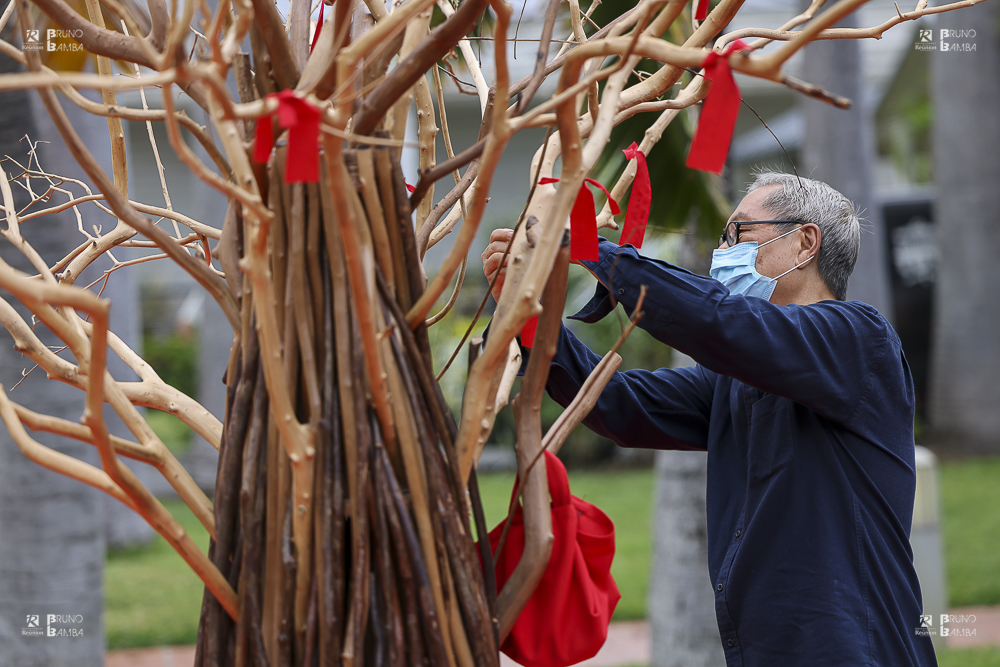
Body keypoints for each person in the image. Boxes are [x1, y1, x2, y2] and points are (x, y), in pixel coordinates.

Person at [480, 172, 936, 666]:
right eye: (723, 238)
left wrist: (585, 245)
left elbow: (718, 320)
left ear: (806, 241)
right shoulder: (734, 381)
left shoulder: (858, 339)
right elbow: (614, 402)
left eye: (739, 234)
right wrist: (526, 307)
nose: (724, 253)